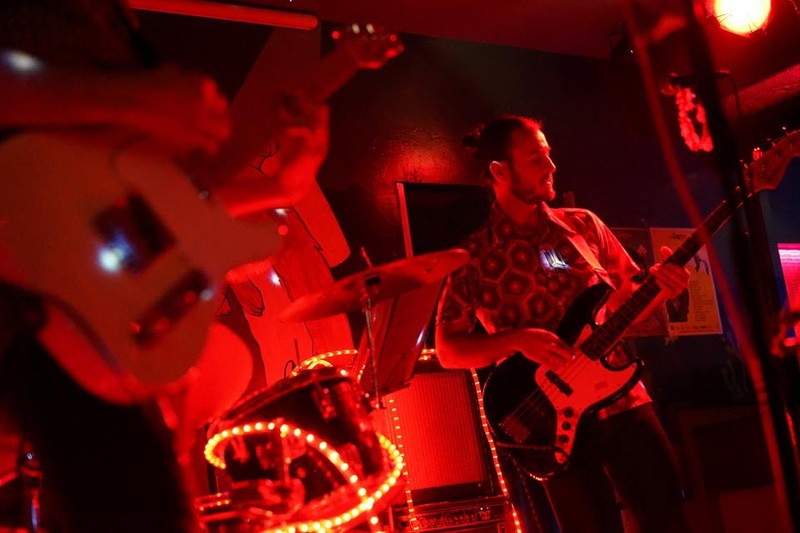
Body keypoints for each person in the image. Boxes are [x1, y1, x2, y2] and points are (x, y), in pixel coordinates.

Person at [0, 1, 328, 531]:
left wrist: (279, 188)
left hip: (88, 324)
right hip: (35, 308)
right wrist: (133, 98)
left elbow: (126, 202)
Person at [435, 115, 692, 532]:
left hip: (622, 400)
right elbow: (449, 350)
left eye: (549, 155)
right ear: (499, 171)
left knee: (670, 523)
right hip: (551, 424)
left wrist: (660, 289)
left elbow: (628, 300)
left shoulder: (583, 225)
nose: (552, 166)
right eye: (536, 158)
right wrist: (518, 340)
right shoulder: (474, 258)